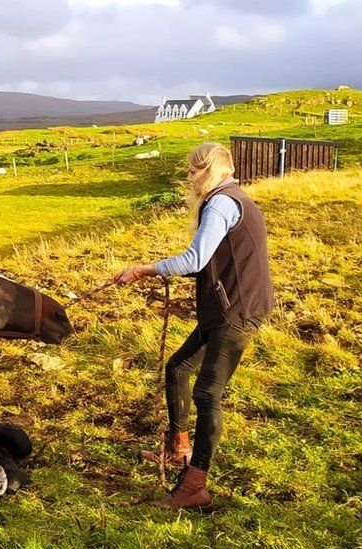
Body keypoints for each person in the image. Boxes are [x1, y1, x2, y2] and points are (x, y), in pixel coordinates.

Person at [114, 142, 274, 509]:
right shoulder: (232, 198)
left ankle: (195, 485)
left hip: (236, 311)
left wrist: (142, 270)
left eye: (192, 172)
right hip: (224, 307)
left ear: (208, 171)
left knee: (207, 393)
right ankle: (179, 448)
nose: (189, 180)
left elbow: (196, 258)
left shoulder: (220, 203)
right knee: (178, 368)